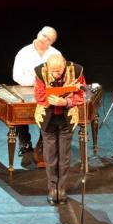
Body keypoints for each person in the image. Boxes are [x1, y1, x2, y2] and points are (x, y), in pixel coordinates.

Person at [34, 54, 86, 205]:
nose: (56, 74)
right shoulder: (40, 72)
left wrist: (66, 101)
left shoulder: (76, 71)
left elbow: (82, 94)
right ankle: (52, 189)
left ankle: (62, 188)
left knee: (64, 156)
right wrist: (55, 98)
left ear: (64, 65)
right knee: (50, 157)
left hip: (67, 118)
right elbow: (39, 95)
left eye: (59, 71)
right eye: (53, 71)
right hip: (47, 118)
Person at [12, 26, 60, 156]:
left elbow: (60, 74)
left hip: (47, 91)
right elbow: (16, 76)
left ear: (52, 42)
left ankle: (44, 143)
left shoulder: (55, 54)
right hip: (25, 90)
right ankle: (24, 143)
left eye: (49, 39)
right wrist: (36, 82)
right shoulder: (24, 52)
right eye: (44, 35)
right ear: (38, 33)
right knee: (20, 113)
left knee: (51, 112)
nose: (45, 40)